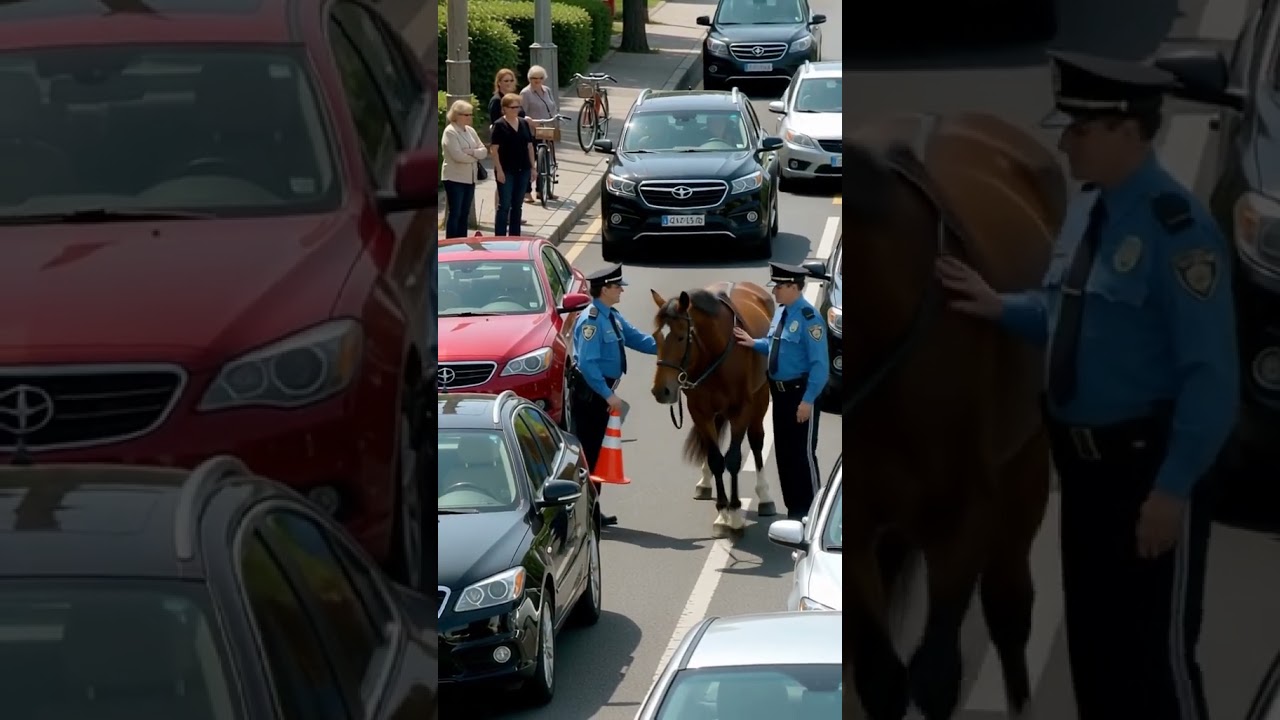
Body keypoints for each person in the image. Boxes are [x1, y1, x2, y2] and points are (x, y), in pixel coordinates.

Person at [934, 50, 1237, 720]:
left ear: (1127, 131)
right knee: (1096, 664)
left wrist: (1173, 488)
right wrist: (999, 306)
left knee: (1156, 665)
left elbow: (1211, 379)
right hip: (1086, 474)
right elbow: (1068, 314)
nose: (1065, 141)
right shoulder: (1089, 211)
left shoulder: (1178, 232)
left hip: (1146, 470)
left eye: (1081, 128)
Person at [733, 262, 829, 519]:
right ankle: (794, 510)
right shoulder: (781, 313)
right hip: (780, 393)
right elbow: (776, 346)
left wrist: (808, 401)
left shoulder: (810, 319)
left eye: (778, 286)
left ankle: (813, 513)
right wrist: (754, 343)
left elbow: (820, 366)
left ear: (792, 287)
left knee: (803, 454)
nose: (774, 291)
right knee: (785, 454)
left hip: (800, 394)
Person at [570, 264, 658, 526]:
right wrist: (608, 395)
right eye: (617, 286)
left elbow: (640, 340)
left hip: (601, 392)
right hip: (591, 395)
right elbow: (587, 364)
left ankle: (592, 511)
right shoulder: (592, 321)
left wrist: (674, 345)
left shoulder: (613, 316)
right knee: (590, 454)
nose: (621, 290)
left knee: (598, 455)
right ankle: (585, 515)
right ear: (604, 289)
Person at [488, 93, 536, 237]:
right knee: (504, 205)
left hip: (523, 169)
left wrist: (533, 168)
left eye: (518, 107)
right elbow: (494, 150)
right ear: (504, 109)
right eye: (513, 107)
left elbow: (529, 146)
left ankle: (515, 237)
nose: (516, 110)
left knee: (518, 205)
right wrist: (499, 171)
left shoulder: (523, 123)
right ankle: (500, 237)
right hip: (506, 170)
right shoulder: (499, 125)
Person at [439, 100, 487, 239]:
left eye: (470, 114)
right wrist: (475, 155)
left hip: (470, 177)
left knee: (465, 212)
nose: (470, 117)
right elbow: (457, 156)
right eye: (466, 115)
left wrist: (471, 152)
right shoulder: (450, 132)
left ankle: (462, 242)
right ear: (456, 115)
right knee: (455, 212)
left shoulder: (470, 131)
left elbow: (483, 151)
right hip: (454, 177)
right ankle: (450, 243)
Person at [487, 68, 534, 207]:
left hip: (518, 146)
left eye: (511, 80)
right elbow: (496, 124)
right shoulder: (496, 101)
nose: (509, 83)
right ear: (499, 83)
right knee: (502, 183)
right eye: (505, 80)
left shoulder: (513, 97)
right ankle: (500, 211)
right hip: (504, 148)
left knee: (511, 186)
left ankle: (510, 213)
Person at [520, 65, 560, 202]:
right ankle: (527, 192)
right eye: (534, 78)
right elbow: (520, 113)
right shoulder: (525, 93)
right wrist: (529, 120)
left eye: (540, 78)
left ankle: (543, 190)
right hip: (531, 131)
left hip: (546, 129)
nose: (537, 81)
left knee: (547, 160)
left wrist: (556, 119)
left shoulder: (547, 90)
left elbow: (553, 107)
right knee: (531, 162)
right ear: (529, 79)